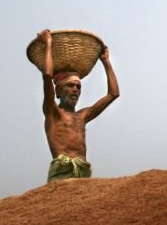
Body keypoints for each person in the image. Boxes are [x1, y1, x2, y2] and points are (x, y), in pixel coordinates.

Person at [37, 30, 120, 181]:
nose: (75, 90)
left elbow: (113, 94)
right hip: (62, 170)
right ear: (58, 91)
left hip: (82, 171)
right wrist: (48, 43)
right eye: (70, 85)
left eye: (78, 86)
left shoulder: (82, 116)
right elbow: (48, 75)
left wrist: (106, 61)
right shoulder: (53, 112)